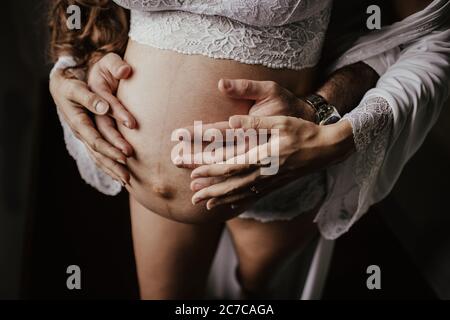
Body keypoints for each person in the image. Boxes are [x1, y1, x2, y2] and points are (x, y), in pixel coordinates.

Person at [48, 0, 450, 298]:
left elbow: (429, 35)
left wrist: (330, 121)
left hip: (279, 173)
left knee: (257, 298)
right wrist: (74, 64)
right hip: (144, 183)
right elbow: (85, 8)